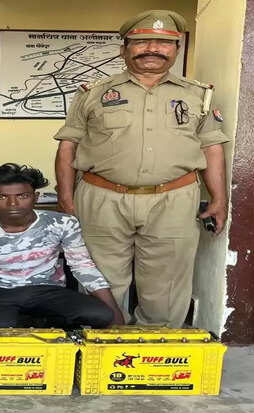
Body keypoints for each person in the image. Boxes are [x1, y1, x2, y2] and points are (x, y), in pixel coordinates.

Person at [53, 10, 229, 327]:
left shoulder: (198, 95)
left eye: (163, 43)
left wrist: (219, 199)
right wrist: (66, 198)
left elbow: (211, 147)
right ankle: (106, 346)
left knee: (167, 284)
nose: (152, 49)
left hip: (174, 200)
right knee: (100, 280)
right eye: (142, 42)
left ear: (177, 49)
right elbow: (69, 145)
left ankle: (154, 346)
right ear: (124, 49)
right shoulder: (93, 93)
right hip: (102, 198)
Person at [0, 163, 124, 329]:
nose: (13, 204)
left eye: (22, 196)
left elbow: (83, 266)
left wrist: (115, 315)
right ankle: (31, 323)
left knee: (100, 314)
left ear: (36, 197)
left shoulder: (63, 223)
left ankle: (39, 323)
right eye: (1, 197)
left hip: (48, 290)